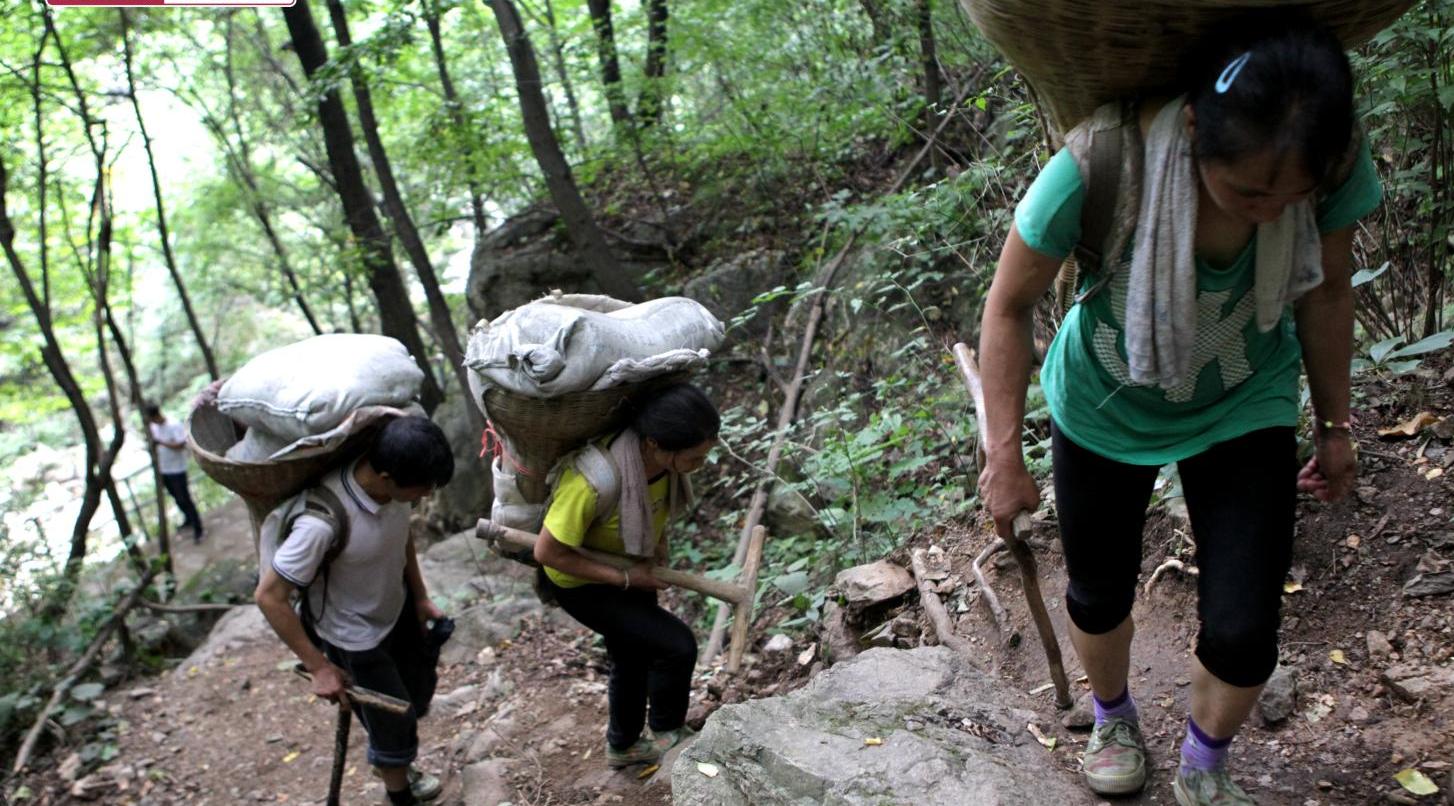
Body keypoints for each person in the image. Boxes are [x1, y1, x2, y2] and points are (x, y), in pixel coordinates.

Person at [976, 16, 1380, 806]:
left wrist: (1336, 426)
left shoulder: (1328, 166)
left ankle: (1205, 761)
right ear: (1193, 129)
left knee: (1245, 628)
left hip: (1245, 396)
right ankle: (1113, 716)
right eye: (1251, 190)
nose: (1274, 211)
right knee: (1099, 593)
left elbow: (1328, 292)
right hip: (1105, 403)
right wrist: (1003, 453)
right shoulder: (1099, 166)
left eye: (1294, 195)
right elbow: (1007, 307)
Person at [254, 416, 455, 805]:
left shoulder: (394, 492)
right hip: (352, 634)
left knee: (415, 695)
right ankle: (398, 792)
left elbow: (402, 539)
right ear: (384, 476)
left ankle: (392, 760)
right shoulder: (321, 524)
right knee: (393, 721)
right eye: (423, 486)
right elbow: (269, 596)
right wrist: (319, 667)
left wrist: (419, 596)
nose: (427, 494)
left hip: (393, 610)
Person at [532, 383, 720, 769]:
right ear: (655, 445)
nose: (701, 463)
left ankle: (623, 745)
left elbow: (655, 514)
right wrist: (628, 579)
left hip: (631, 566)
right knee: (677, 645)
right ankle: (668, 732)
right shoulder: (593, 480)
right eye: (696, 457)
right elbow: (547, 552)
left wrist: (648, 561)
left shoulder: (664, 468)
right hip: (579, 582)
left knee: (632, 655)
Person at [145, 403, 204, 542]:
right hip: (164, 469)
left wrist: (161, 443)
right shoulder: (153, 428)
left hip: (177, 469)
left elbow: (180, 444)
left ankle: (198, 528)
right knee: (177, 498)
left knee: (185, 498)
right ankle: (188, 519)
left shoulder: (173, 425)